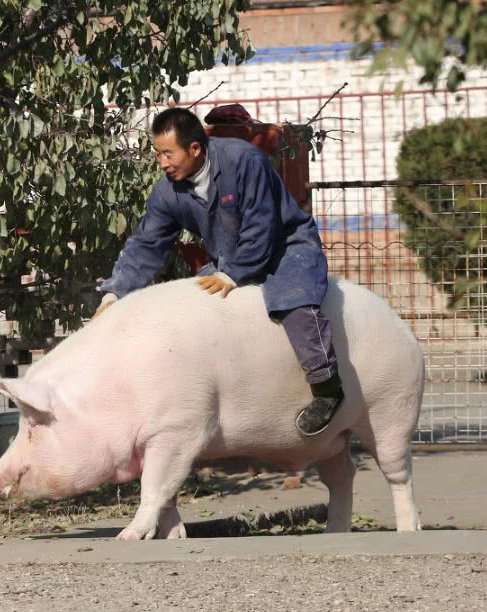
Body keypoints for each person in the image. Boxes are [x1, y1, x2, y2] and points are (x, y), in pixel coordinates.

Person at [94, 107, 344, 436]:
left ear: (194, 149)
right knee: (187, 304)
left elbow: (261, 225)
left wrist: (234, 274)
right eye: (158, 154)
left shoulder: (244, 160)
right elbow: (147, 244)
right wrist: (116, 292)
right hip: (232, 259)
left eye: (168, 153)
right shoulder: (168, 191)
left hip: (287, 247)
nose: (162, 162)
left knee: (293, 302)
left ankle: (327, 388)